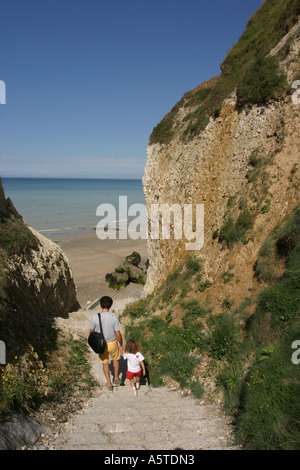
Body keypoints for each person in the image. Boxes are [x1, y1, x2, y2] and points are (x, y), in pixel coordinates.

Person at [89, 296, 123, 392]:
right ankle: (116, 379)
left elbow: (91, 332)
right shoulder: (113, 317)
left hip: (101, 344)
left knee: (105, 363)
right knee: (116, 360)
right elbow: (118, 334)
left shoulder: (95, 317)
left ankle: (109, 384)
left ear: (101, 305)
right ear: (110, 305)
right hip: (112, 343)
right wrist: (121, 345)